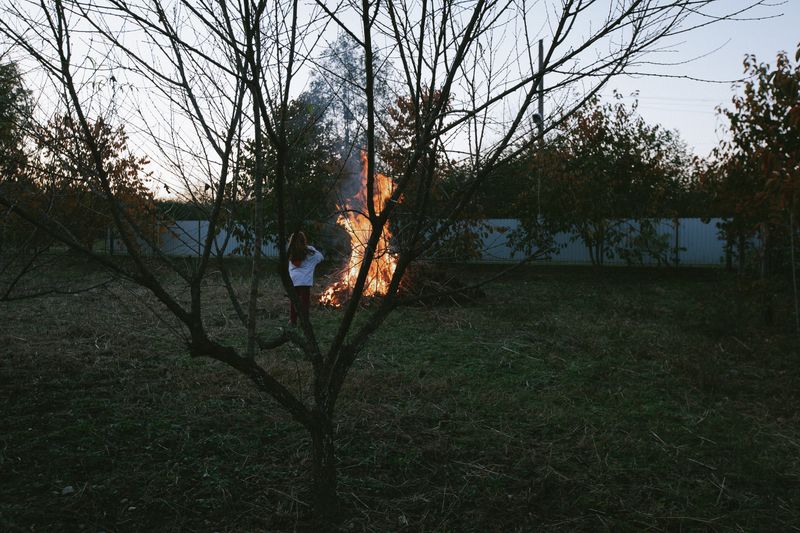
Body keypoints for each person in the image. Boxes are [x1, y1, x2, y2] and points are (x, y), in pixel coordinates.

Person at [287, 231, 324, 326]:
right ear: (304, 240)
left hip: (293, 281)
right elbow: (320, 257)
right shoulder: (310, 251)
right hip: (305, 282)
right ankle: (304, 322)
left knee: (294, 301)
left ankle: (293, 321)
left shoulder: (290, 252)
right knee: (304, 303)